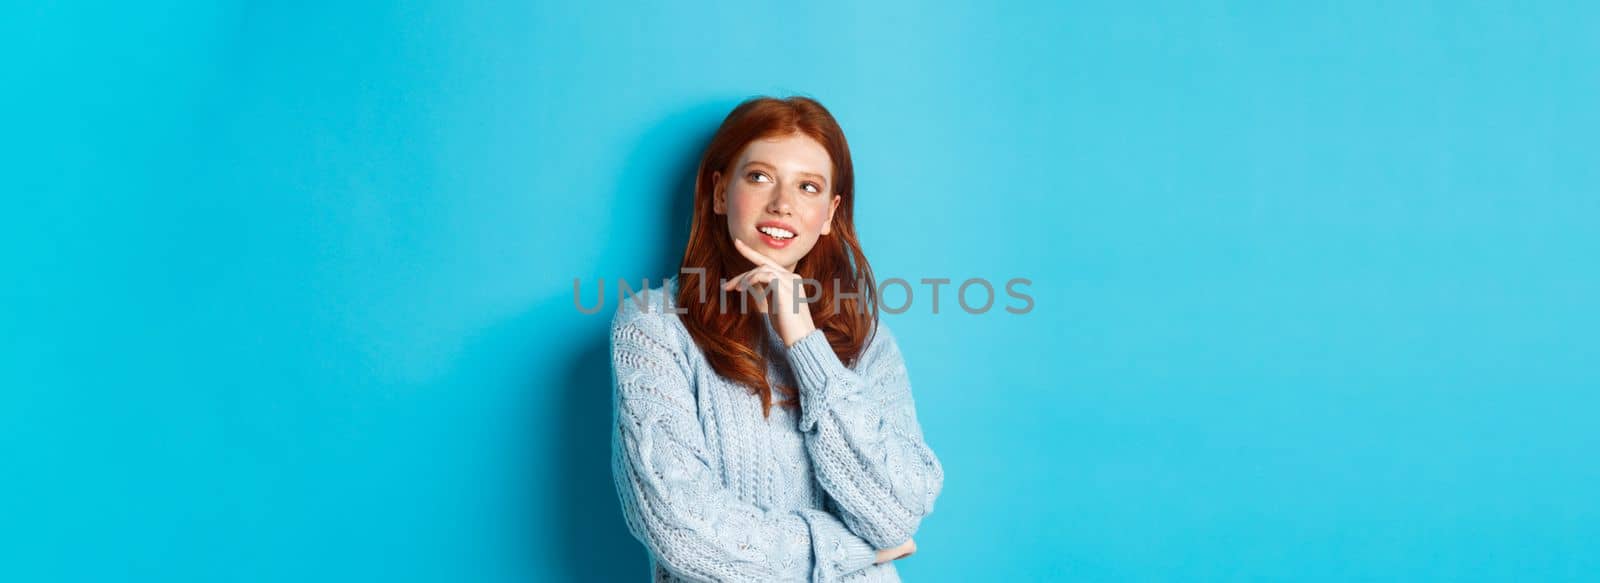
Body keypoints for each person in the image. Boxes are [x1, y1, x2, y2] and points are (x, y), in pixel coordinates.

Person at [609, 95, 944, 582]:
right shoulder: (654, 326)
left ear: (830, 214)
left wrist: (804, 340)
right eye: (760, 177)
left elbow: (896, 513)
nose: (783, 204)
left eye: (807, 187)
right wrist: (854, 550)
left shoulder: (864, 339)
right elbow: (681, 530)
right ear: (720, 193)